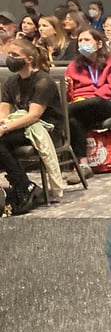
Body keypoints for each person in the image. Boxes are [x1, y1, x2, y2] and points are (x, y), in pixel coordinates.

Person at [0, 39, 65, 214]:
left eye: (15, 55)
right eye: (9, 54)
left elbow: (34, 115)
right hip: (22, 126)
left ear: (28, 59)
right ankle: (22, 185)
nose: (10, 58)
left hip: (46, 128)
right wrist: (3, 123)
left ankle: (24, 186)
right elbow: (4, 112)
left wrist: (5, 128)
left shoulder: (43, 81)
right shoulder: (11, 81)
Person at [65, 28, 111, 181]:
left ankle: (61, 112)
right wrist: (67, 89)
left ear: (99, 43)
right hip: (83, 107)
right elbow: (72, 94)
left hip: (109, 104)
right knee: (73, 121)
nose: (82, 43)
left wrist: (91, 97)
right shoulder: (73, 66)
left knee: (94, 102)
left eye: (87, 40)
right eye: (80, 41)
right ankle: (84, 166)